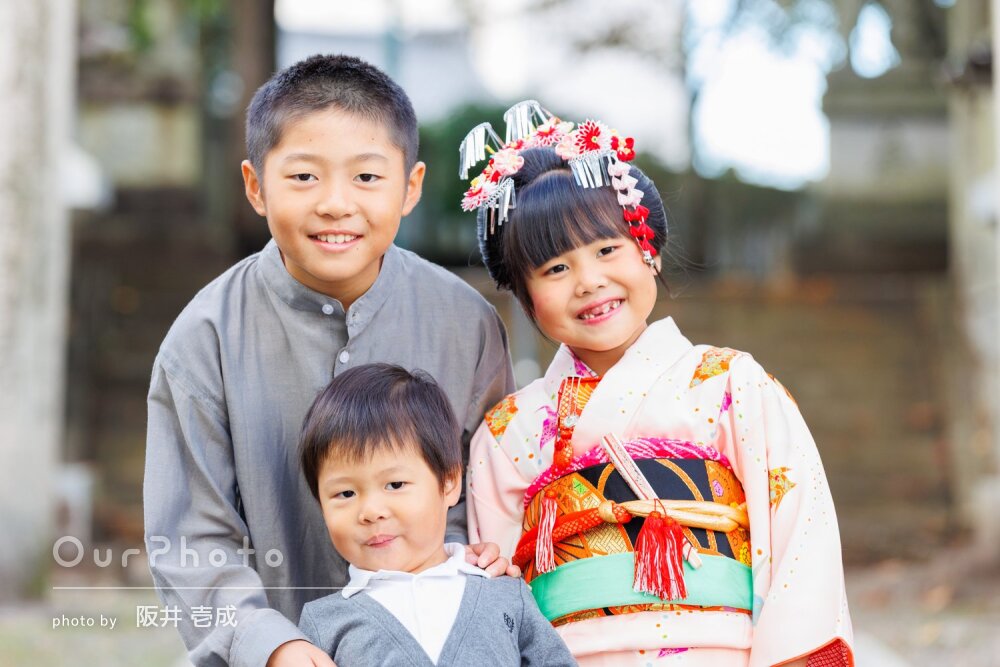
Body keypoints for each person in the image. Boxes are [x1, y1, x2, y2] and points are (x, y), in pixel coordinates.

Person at [144, 54, 516, 667]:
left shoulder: (466, 323)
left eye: (367, 178)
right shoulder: (203, 339)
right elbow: (191, 540)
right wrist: (269, 643)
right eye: (304, 177)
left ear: (411, 187)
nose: (336, 204)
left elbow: (490, 497)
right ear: (256, 187)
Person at [461, 102, 855, 666]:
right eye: (555, 269)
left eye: (606, 249)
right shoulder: (507, 433)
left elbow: (800, 539)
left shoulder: (731, 384)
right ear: (524, 297)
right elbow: (497, 593)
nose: (590, 281)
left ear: (648, 249)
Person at [296, 363, 576, 666]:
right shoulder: (322, 627)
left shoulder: (503, 593)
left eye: (395, 484)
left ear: (449, 483)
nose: (371, 512)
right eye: (345, 494)